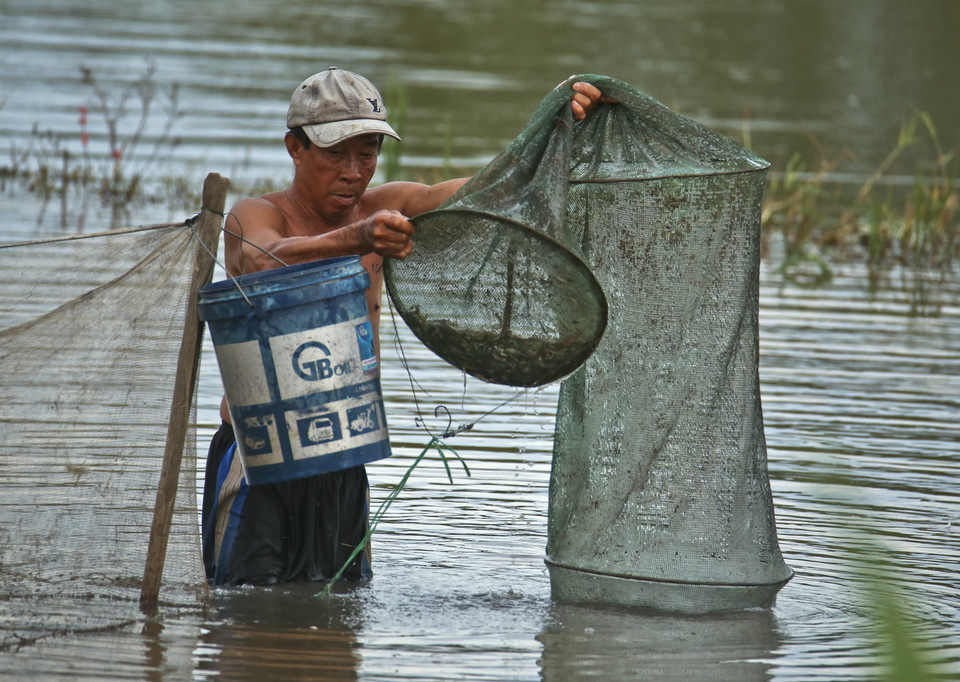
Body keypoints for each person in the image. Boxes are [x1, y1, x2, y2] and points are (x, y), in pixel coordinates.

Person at [202, 66, 608, 586]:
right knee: (244, 612)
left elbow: (491, 191)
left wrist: (560, 130)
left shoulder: (386, 206)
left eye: (366, 154)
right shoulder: (255, 216)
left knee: (342, 611)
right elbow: (264, 262)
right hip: (261, 452)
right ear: (295, 149)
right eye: (334, 155)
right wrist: (357, 238)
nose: (353, 171)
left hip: (343, 454)